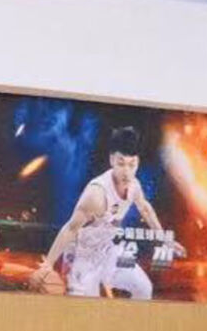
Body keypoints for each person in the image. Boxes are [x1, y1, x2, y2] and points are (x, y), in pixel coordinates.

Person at [40, 125, 171, 298]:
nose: (127, 172)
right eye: (121, 163)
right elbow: (70, 229)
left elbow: (145, 209)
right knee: (86, 312)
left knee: (144, 289)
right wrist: (48, 264)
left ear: (137, 162)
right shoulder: (96, 194)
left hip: (109, 252)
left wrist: (163, 237)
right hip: (83, 259)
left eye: (132, 164)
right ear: (112, 160)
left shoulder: (134, 185)